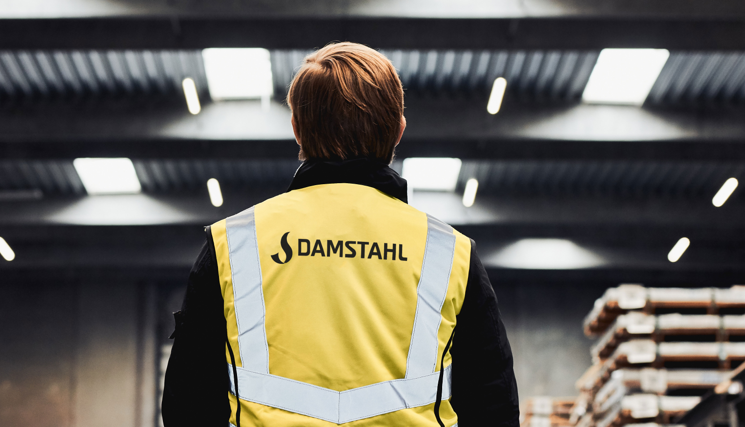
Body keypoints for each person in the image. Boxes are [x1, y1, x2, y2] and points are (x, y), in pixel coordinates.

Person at [162, 42, 519, 427]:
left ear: (297, 128)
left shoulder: (233, 244)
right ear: (399, 131)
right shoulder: (451, 254)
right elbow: (493, 405)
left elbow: (188, 403)